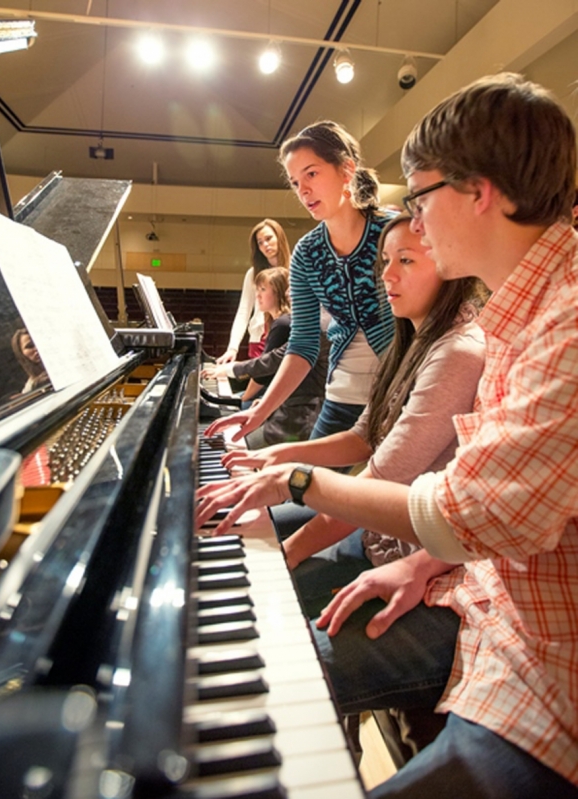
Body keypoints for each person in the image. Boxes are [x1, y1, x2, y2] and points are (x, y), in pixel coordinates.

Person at [198, 73, 578, 797]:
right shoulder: (518, 315)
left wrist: (293, 479)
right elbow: (489, 501)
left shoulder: (559, 324)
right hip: (481, 614)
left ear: (480, 191)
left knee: (283, 672)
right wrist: (427, 565)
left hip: (544, 684)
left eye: (422, 196)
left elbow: (465, 509)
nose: (414, 226)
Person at [221, 214, 486, 613]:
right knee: (251, 528)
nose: (387, 277)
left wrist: (285, 557)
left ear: (449, 265)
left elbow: (381, 476)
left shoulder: (457, 353)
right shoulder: (410, 340)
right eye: (384, 263)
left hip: (414, 557)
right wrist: (277, 456)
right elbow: (363, 436)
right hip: (376, 535)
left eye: (406, 261)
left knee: (273, 585)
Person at [205, 120, 395, 445]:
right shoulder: (307, 252)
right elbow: (302, 345)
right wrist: (259, 410)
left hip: (400, 390)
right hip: (342, 396)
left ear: (346, 170)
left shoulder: (394, 232)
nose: (303, 190)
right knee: (307, 488)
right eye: (295, 182)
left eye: (312, 173)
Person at [203, 266, 326, 447]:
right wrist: (269, 401)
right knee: (228, 438)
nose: (289, 292)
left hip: (299, 419)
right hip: (290, 408)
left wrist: (232, 372)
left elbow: (271, 362)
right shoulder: (307, 323)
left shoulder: (316, 326)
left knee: (226, 445)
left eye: (294, 286)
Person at [216, 219, 291, 363]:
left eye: (268, 238)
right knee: (260, 381)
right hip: (260, 337)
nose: (265, 245)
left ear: (279, 237)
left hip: (289, 334)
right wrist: (233, 348)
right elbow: (244, 311)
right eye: (260, 242)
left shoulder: (296, 267)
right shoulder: (253, 273)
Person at [11, 328, 50, 394]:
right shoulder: (30, 389)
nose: (37, 348)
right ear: (21, 354)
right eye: (30, 346)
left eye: (39, 342)